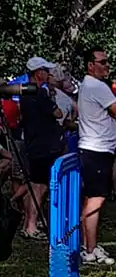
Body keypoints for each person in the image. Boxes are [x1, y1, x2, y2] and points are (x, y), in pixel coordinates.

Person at [77, 47, 116, 265]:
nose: (107, 65)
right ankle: (89, 250)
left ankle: (89, 244)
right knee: (96, 199)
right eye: (102, 62)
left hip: (96, 148)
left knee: (92, 198)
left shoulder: (89, 86)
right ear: (91, 65)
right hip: (96, 149)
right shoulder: (97, 86)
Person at [19, 57, 64, 238]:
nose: (49, 74)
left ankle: (30, 223)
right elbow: (58, 113)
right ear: (39, 73)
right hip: (43, 146)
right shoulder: (39, 94)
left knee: (36, 184)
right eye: (46, 71)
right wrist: (53, 96)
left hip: (34, 143)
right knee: (40, 186)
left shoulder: (25, 94)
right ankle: (31, 225)